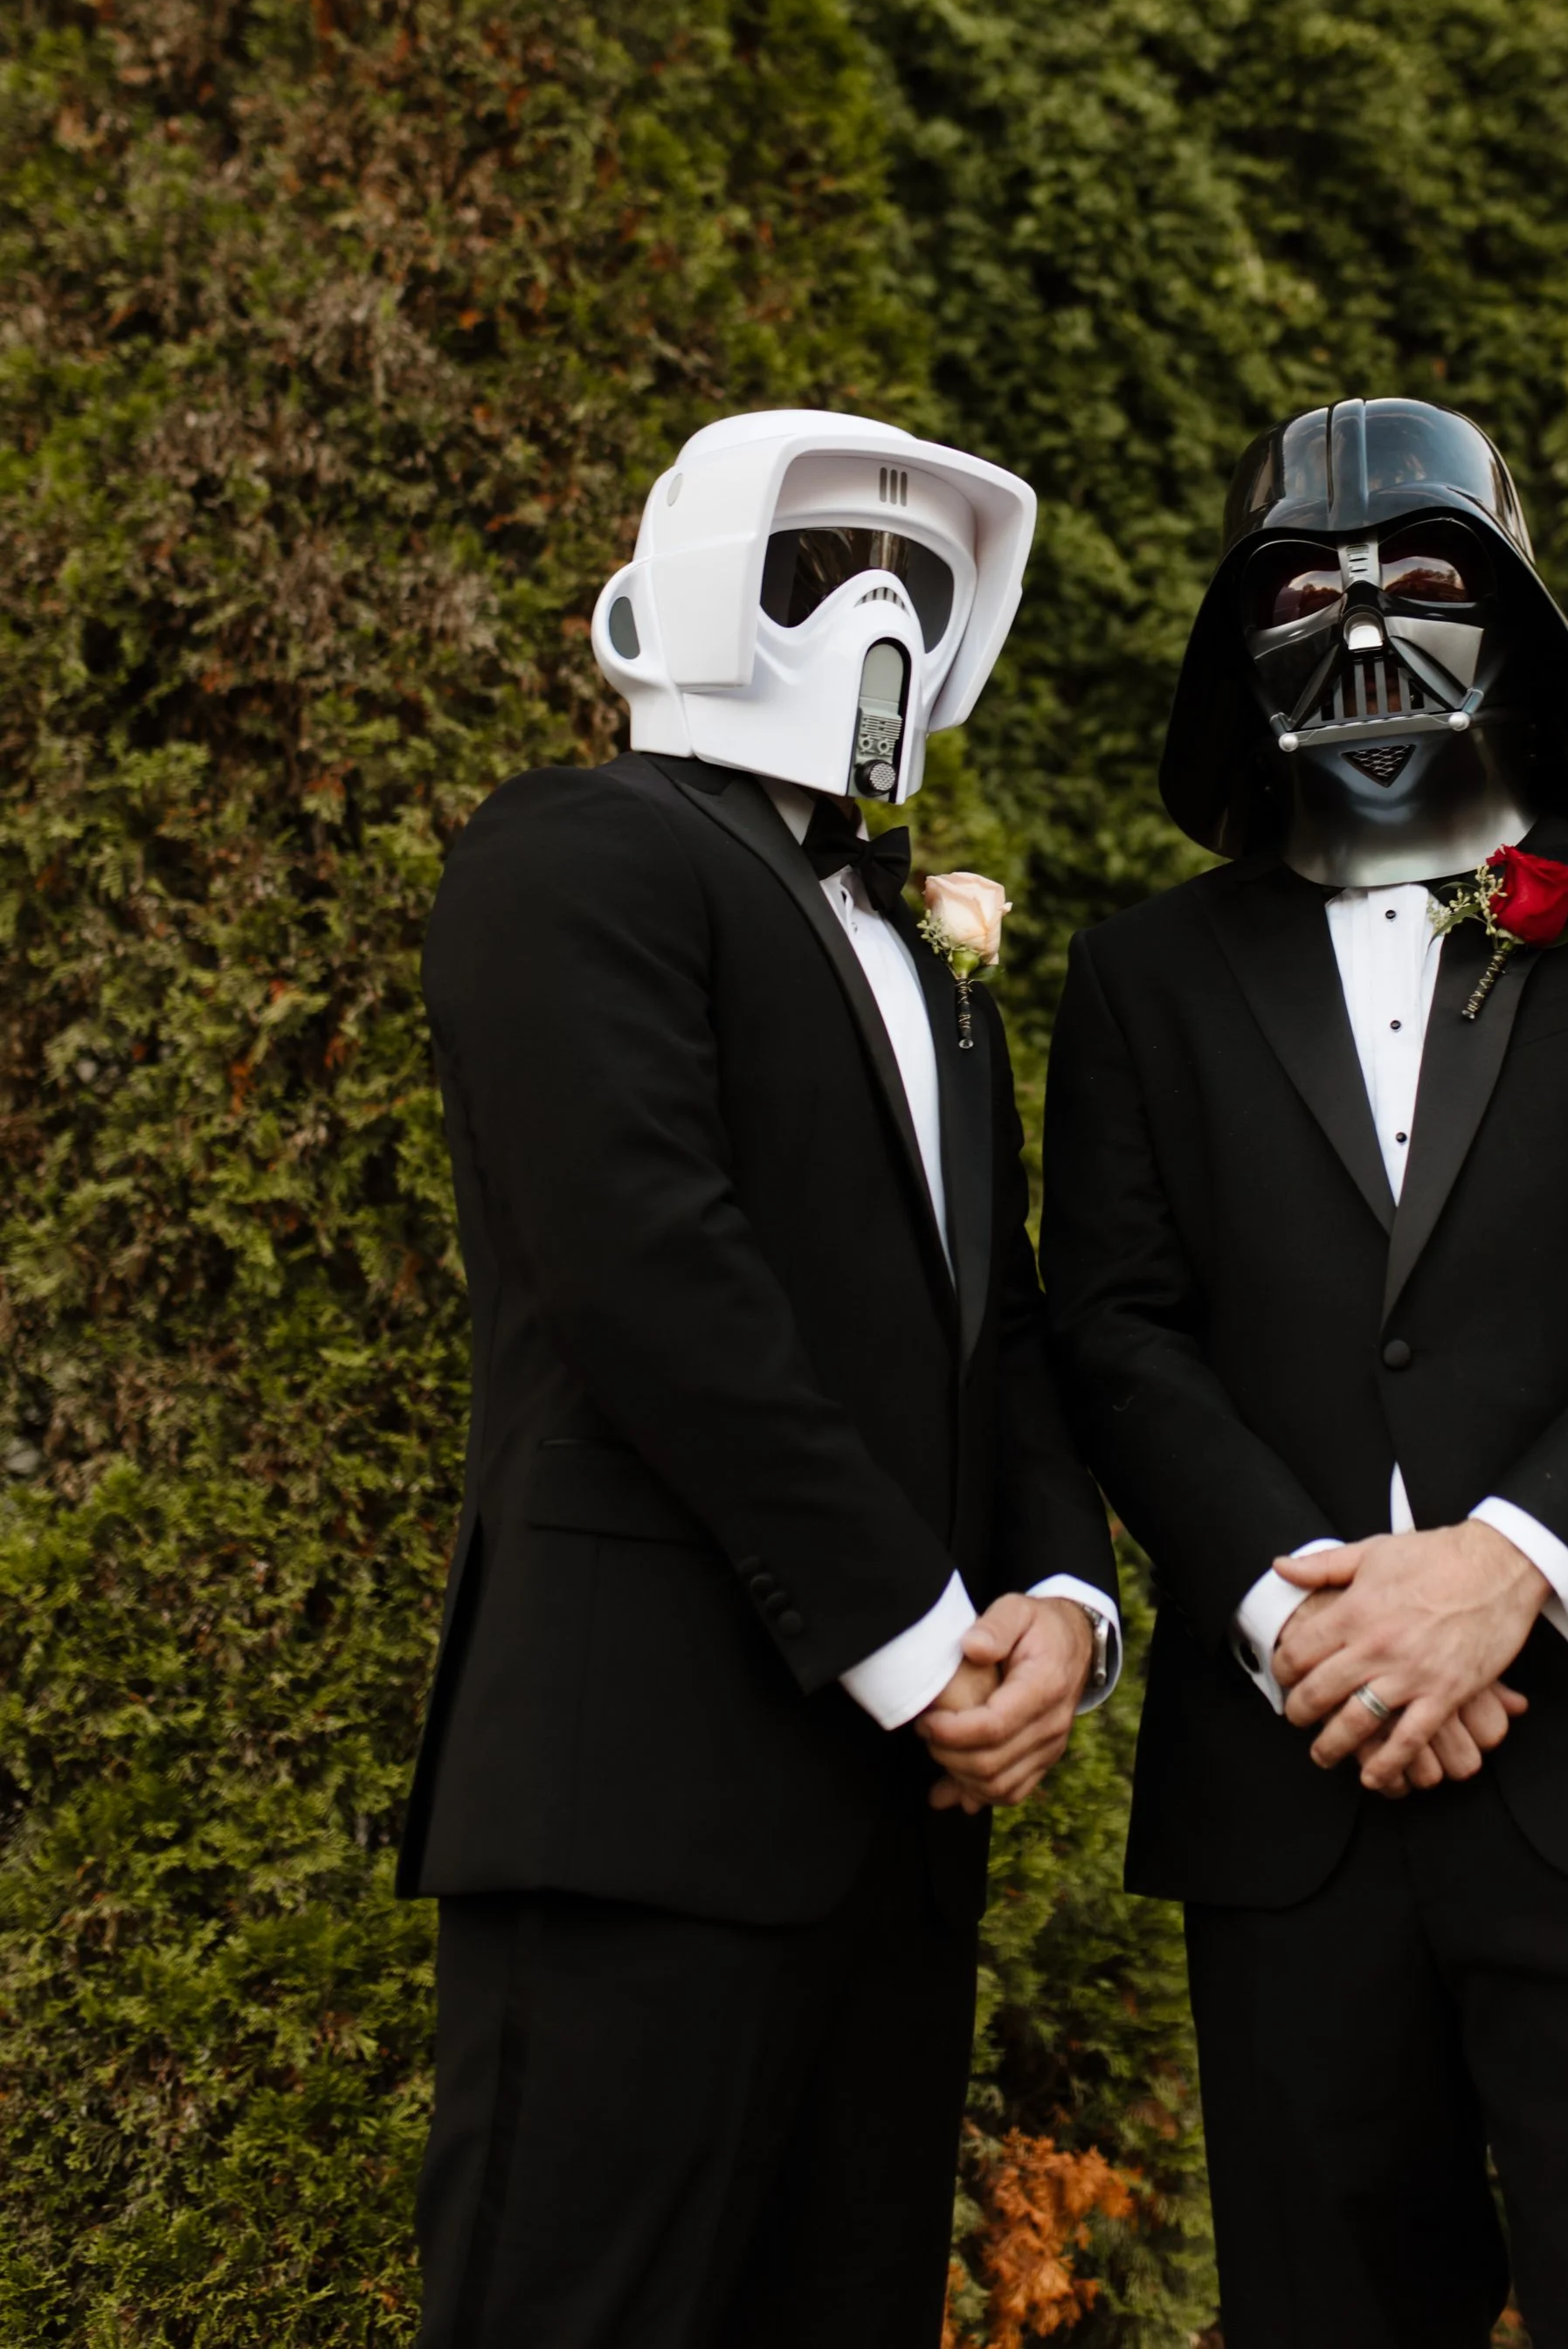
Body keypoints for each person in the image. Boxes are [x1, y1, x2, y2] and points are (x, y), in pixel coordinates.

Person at [1040, 396, 1568, 2349]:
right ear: (1236, 644)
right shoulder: (1144, 977)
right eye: (1304, 591)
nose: (1362, 628)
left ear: (1514, 613)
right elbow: (1113, 1326)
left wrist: (1502, 1572)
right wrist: (1297, 1620)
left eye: (1416, 580)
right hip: (1294, 1793)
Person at [399, 406, 1119, 2349]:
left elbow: (1006, 1324)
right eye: (824, 565)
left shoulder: (922, 947)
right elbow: (653, 1278)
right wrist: (917, 1639)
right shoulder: (577, 852)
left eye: (918, 577)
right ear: (707, 577)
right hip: (636, 1798)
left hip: (894, 1853)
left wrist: (1062, 1601)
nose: (879, 611)